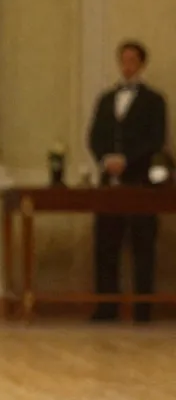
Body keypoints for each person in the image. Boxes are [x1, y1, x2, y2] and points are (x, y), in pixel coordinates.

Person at [87, 40, 168, 322]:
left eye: (133, 60)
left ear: (142, 64)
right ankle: (106, 306)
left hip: (140, 181)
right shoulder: (106, 99)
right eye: (123, 60)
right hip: (109, 181)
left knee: (142, 245)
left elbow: (155, 139)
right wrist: (106, 159)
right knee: (105, 244)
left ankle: (143, 308)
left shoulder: (154, 101)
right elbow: (95, 136)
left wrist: (127, 160)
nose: (127, 66)